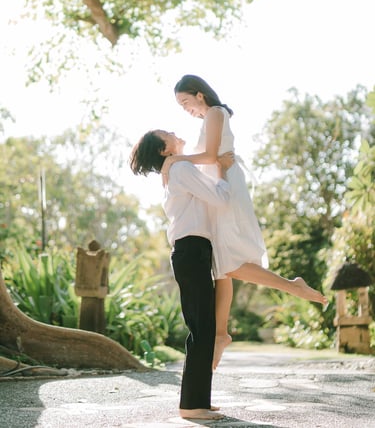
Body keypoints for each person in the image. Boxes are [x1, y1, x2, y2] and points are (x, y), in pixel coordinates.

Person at [161, 74, 327, 369]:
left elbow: (212, 155)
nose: (185, 109)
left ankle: (292, 286)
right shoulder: (207, 119)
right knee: (221, 268)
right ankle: (221, 333)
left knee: (228, 263)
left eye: (185, 101)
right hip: (218, 187)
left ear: (200, 95)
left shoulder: (215, 112)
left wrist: (176, 160)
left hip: (227, 187)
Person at [129, 128, 235, 421]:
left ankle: (198, 400)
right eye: (168, 133)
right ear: (165, 149)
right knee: (201, 329)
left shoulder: (177, 168)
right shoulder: (181, 168)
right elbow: (221, 198)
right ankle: (191, 405)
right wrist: (223, 171)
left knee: (203, 327)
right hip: (192, 250)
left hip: (191, 250)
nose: (175, 132)